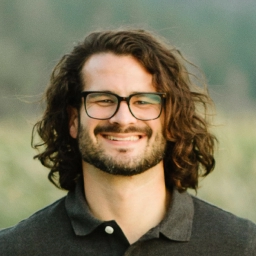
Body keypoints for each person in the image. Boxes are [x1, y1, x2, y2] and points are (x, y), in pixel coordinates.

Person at [0, 29, 255, 256]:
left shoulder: (242, 246)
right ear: (73, 120)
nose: (123, 119)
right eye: (103, 100)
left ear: (170, 119)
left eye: (143, 101)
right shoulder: (16, 249)